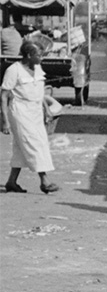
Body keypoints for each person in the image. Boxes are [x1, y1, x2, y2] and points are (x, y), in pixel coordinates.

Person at [1, 41, 59, 194]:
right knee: (34, 144)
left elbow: (40, 93)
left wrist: (47, 109)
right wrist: (5, 120)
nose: (42, 58)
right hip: (20, 112)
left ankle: (11, 182)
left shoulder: (38, 69)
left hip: (35, 112)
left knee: (21, 146)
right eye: (39, 55)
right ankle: (44, 181)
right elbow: (4, 95)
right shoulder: (14, 70)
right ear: (28, 55)